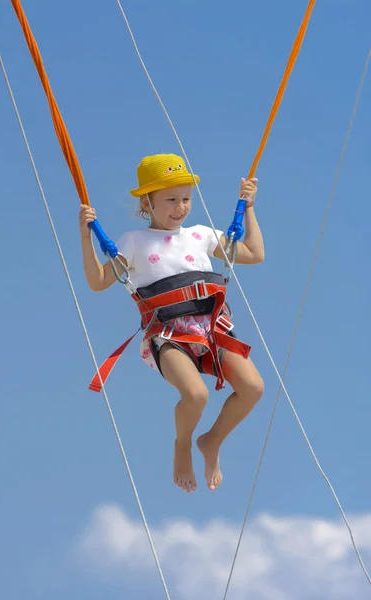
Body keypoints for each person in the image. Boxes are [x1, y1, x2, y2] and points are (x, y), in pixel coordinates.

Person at [79, 153, 265, 493]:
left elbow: (254, 254)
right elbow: (98, 280)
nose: (180, 207)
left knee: (253, 388)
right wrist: (85, 235)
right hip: (168, 334)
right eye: (170, 200)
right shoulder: (134, 242)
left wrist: (248, 208)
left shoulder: (201, 235)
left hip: (211, 329)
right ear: (147, 203)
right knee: (195, 395)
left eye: (185, 199)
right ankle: (183, 444)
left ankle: (211, 441)